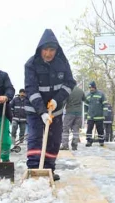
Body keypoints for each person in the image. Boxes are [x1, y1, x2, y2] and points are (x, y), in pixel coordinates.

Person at [24, 29, 76, 181]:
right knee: (36, 138)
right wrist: (42, 112)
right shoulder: (31, 64)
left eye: (52, 49)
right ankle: (34, 170)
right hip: (35, 110)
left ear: (56, 50)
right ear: (40, 49)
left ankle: (48, 170)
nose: (48, 53)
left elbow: (69, 83)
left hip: (56, 110)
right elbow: (31, 90)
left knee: (54, 140)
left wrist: (56, 100)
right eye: (45, 49)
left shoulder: (62, 63)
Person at [60, 85, 86, 150]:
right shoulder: (81, 91)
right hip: (79, 113)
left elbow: (64, 101)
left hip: (70, 112)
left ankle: (65, 145)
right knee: (76, 130)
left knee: (65, 129)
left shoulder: (68, 91)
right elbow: (84, 100)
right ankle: (75, 145)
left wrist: (60, 109)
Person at [85, 81, 107, 147]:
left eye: (92, 88)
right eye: (90, 88)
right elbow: (85, 106)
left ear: (95, 87)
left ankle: (101, 141)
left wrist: (105, 113)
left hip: (99, 116)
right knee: (89, 130)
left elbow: (105, 104)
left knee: (100, 130)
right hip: (90, 117)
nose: (91, 89)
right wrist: (86, 115)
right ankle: (89, 141)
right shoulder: (88, 95)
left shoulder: (101, 94)